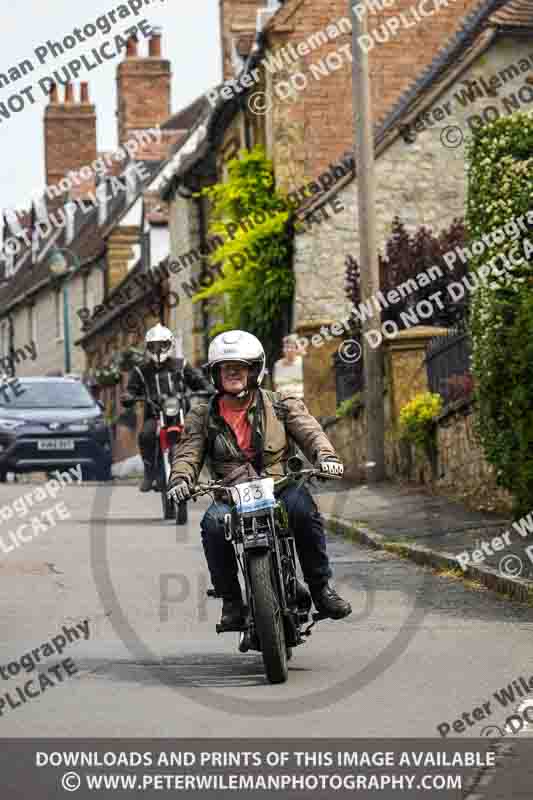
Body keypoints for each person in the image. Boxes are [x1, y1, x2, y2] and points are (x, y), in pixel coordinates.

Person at [167, 329, 352, 628]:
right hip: (232, 495)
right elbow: (188, 453)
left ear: (255, 370)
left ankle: (321, 590)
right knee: (213, 525)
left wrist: (326, 458)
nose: (234, 373)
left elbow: (311, 433)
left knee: (304, 511)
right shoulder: (201, 415)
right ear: (215, 374)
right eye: (226, 369)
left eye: (241, 367)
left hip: (280, 486)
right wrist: (180, 480)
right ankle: (231, 602)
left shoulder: (281, 404)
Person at [121, 323, 213, 492]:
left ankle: (203, 469)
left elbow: (197, 380)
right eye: (153, 345)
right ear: (148, 347)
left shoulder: (181, 365)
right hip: (155, 414)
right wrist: (129, 396)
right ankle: (149, 473)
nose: (158, 349)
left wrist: (207, 388)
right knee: (146, 435)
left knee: (202, 433)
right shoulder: (141, 370)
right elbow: (131, 389)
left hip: (181, 413)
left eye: (162, 345)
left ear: (169, 344)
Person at [272, 334, 305, 399]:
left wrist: (297, 342)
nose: (289, 350)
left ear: (296, 349)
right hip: (282, 400)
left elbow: (304, 353)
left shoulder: (301, 362)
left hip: (298, 399)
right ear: (283, 349)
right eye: (286, 347)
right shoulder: (277, 365)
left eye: (292, 347)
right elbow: (275, 385)